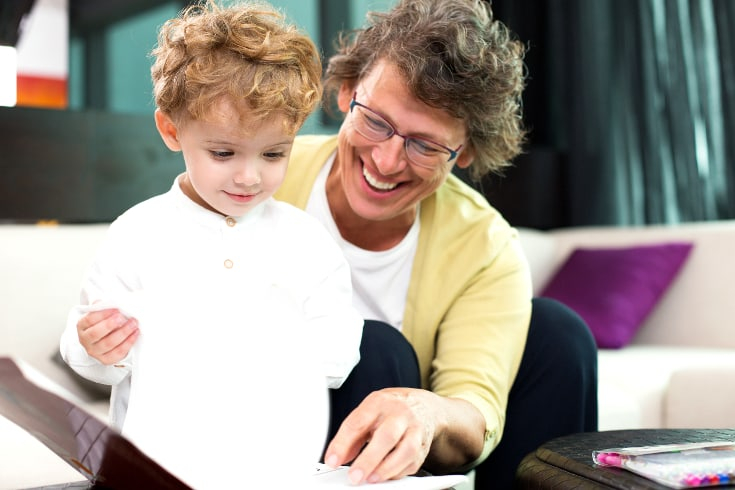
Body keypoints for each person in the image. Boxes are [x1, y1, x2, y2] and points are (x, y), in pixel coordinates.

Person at [272, 0, 598, 487]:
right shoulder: (259, 176)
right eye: (376, 121)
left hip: (418, 444)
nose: (386, 160)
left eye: (424, 145)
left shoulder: (485, 247)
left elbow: (476, 411)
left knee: (558, 336)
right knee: (374, 348)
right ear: (346, 92)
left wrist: (426, 413)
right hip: (271, 416)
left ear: (463, 150)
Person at [59, 1, 363, 487]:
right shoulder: (138, 235)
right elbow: (90, 352)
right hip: (152, 469)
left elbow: (338, 354)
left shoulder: (307, 243)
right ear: (171, 130)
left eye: (273, 154)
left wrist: (275, 346)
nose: (249, 176)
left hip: (269, 468)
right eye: (223, 153)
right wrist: (94, 344)